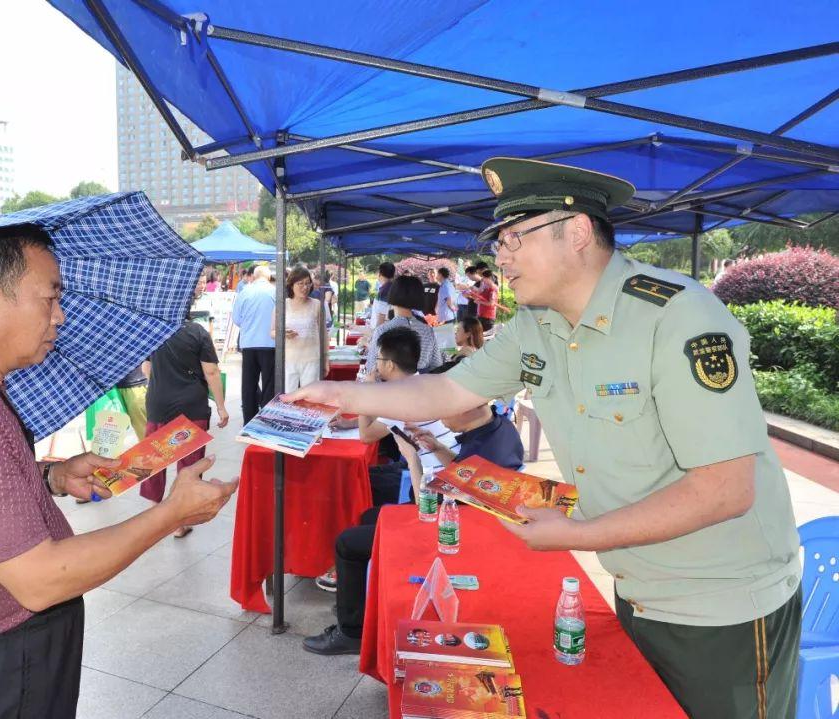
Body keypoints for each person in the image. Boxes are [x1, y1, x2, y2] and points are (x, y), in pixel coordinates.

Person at [286, 158, 801, 718]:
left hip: (724, 601)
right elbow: (447, 393)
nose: (500, 256)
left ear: (577, 232)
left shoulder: (679, 318)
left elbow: (725, 490)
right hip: (639, 586)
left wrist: (578, 534)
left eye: (513, 237)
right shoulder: (538, 322)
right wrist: (345, 397)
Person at [0, 225, 237, 719]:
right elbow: (40, 579)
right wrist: (172, 513)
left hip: (4, 649)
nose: (59, 317)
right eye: (50, 297)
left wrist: (52, 477)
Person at [303, 334, 523, 655]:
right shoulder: (498, 430)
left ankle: (352, 633)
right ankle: (364, 604)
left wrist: (413, 460)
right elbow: (468, 478)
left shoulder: (474, 444)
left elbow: (441, 506)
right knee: (369, 516)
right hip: (463, 518)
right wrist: (437, 449)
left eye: (445, 406)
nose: (438, 415)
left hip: (455, 533)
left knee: (348, 543)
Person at [140, 271, 230, 538]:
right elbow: (211, 372)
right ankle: (180, 522)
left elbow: (147, 369)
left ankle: (155, 515)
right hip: (191, 407)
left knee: (155, 460)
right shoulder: (197, 332)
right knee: (188, 465)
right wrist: (222, 407)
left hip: (158, 403)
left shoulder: (153, 330)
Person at [364, 275, 445, 373]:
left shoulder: (383, 330)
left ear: (393, 295)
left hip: (388, 386)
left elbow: (371, 368)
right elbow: (437, 365)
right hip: (420, 385)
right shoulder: (428, 330)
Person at [232, 264, 276, 423]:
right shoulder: (274, 292)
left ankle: (248, 420)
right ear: (269, 277)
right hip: (270, 343)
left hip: (249, 343)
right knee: (269, 383)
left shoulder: (244, 292)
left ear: (254, 276)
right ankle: (266, 418)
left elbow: (236, 319)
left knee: (249, 383)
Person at [272, 267, 327, 393]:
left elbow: (323, 334)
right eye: (300, 283)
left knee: (310, 399)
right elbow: (272, 332)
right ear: (291, 285)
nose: (305, 287)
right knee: (288, 399)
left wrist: (326, 359)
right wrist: (283, 334)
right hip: (288, 360)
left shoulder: (317, 304)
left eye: (307, 283)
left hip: (312, 359)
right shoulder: (282, 305)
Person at [371, 262, 395, 328]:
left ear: (380, 273)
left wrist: (375, 334)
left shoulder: (384, 291)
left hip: (382, 331)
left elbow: (381, 317)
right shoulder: (393, 287)